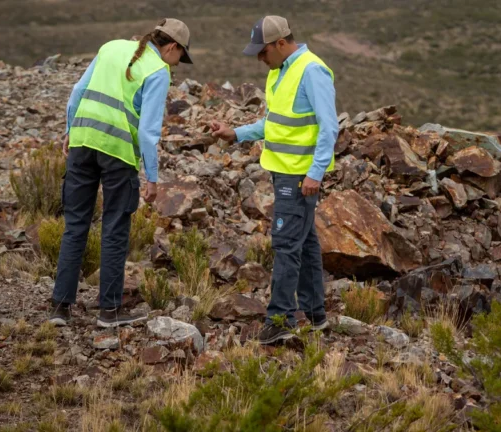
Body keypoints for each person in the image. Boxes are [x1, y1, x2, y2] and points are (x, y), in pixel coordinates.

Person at [48, 19, 193, 328]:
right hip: (118, 153)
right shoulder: (158, 71)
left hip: (83, 142)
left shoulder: (111, 47)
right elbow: (148, 132)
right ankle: (109, 311)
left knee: (75, 225)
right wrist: (151, 177)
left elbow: (77, 92)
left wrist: (70, 130)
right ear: (172, 47)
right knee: (114, 229)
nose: (177, 63)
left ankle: (60, 307)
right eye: (180, 56)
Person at [211, 16, 338, 345]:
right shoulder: (279, 71)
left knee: (285, 245)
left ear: (281, 43)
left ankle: (279, 320)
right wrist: (235, 133)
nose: (259, 58)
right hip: (285, 171)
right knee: (304, 243)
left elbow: (329, 127)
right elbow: (273, 123)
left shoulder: (312, 71)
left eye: (263, 51)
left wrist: (315, 172)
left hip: (298, 176)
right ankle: (315, 316)